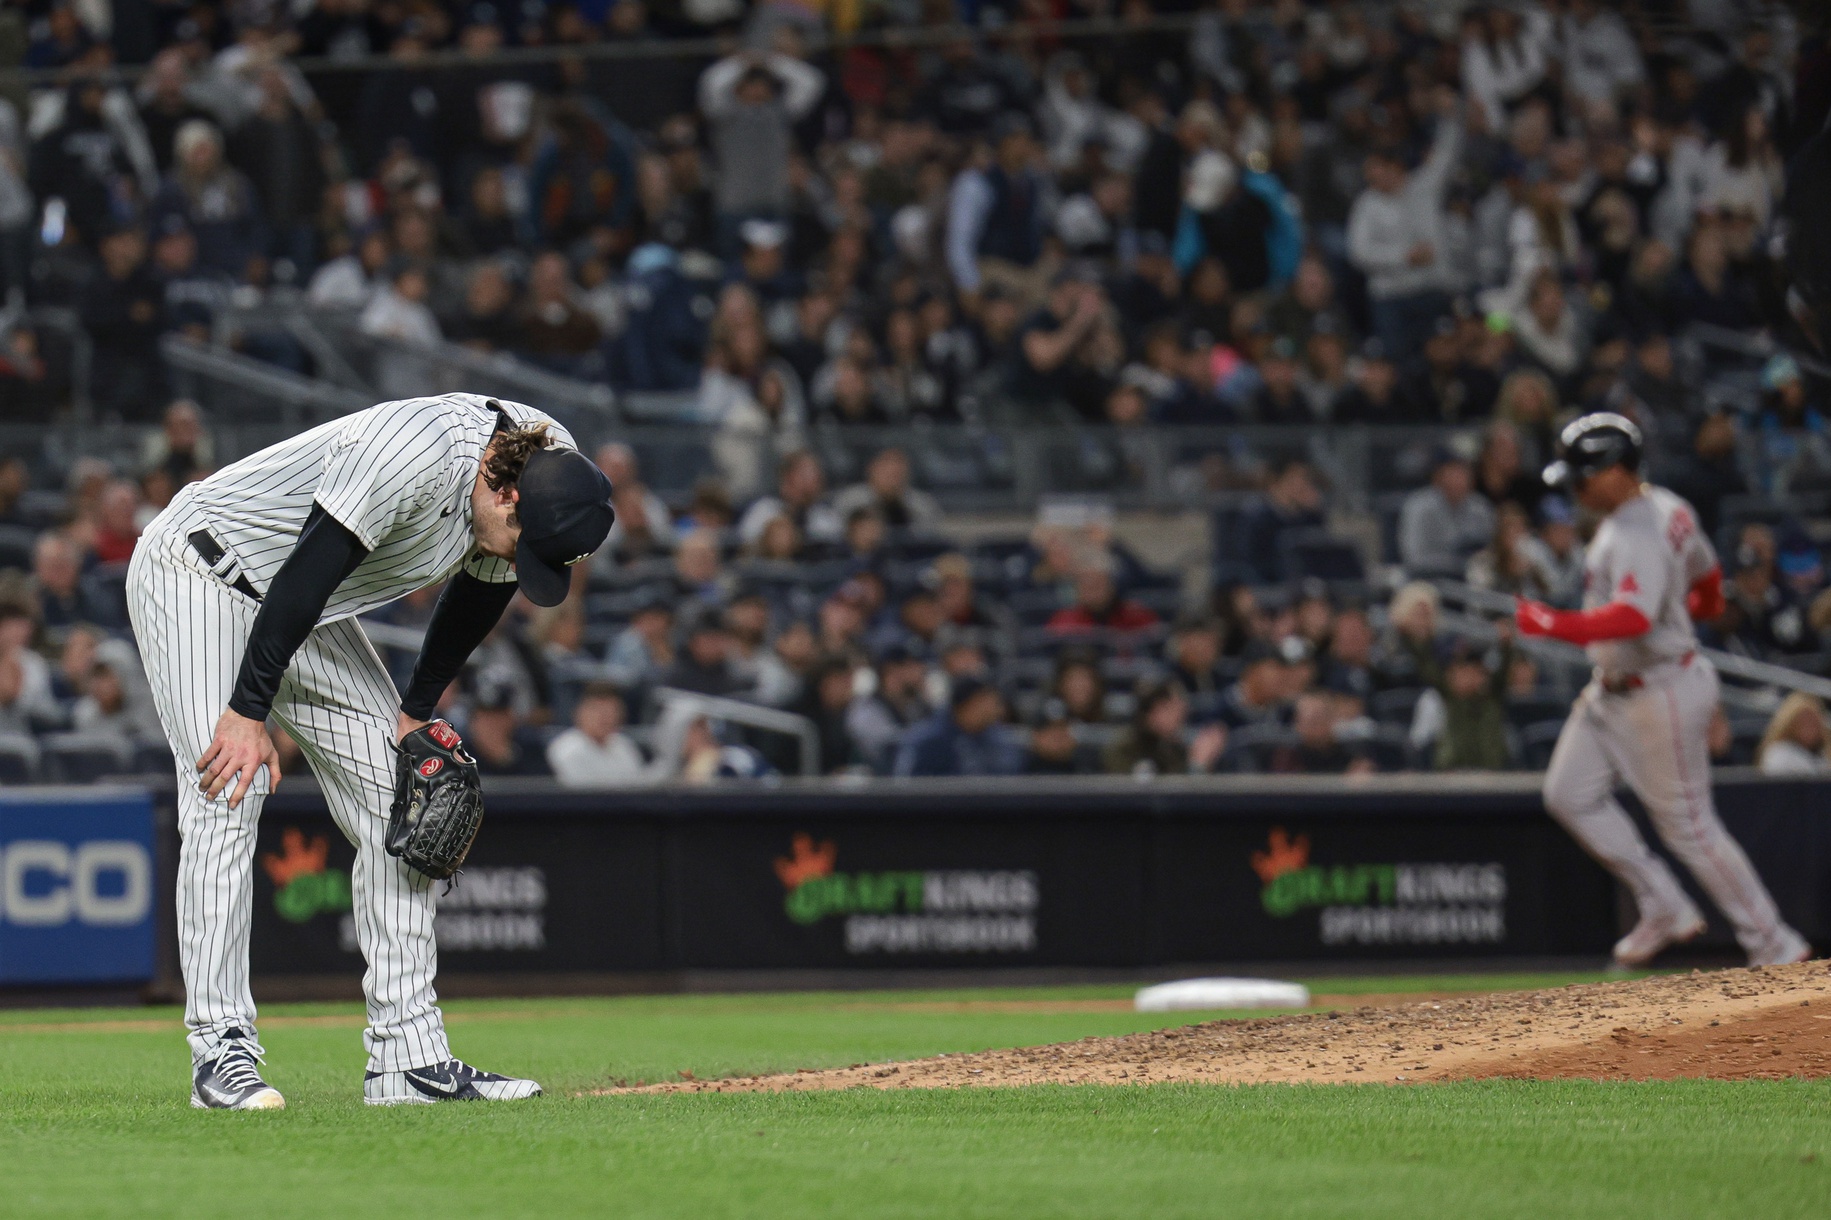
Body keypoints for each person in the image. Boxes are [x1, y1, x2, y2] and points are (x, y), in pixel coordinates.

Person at [125, 391, 614, 1109]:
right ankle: (221, 1052)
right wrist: (245, 711)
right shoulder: (411, 451)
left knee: (407, 801)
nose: (520, 559)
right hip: (202, 571)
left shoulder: (548, 464)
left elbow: (479, 593)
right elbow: (304, 573)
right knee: (229, 787)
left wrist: (414, 713)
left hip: (308, 606)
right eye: (522, 540)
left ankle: (407, 1060)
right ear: (501, 488)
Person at [1518, 413, 1809, 969]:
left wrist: (1555, 624)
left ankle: (1776, 945)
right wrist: (1688, 619)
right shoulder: (1668, 507)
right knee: (1569, 794)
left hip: (1659, 691)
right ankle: (1662, 901)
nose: (1576, 487)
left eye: (1583, 474)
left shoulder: (1639, 529)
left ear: (1615, 471)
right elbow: (1708, 584)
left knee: (1691, 828)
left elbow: (1632, 616)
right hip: (1616, 690)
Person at [893, 676, 1024, 778]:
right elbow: (909, 787)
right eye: (988, 701)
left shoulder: (999, 737)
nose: (997, 708)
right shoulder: (929, 740)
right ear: (969, 703)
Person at [1399, 447, 1495, 577]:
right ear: (1438, 476)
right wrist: (1459, 563)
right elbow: (1414, 559)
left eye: (1464, 472)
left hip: (1473, 581)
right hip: (1429, 580)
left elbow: (1493, 549)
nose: (1460, 478)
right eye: (1454, 472)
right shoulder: (1419, 507)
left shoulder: (1480, 507)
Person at [546, 682, 645, 788]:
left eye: (610, 711)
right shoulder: (567, 749)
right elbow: (586, 795)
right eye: (597, 710)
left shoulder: (625, 745)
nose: (604, 717)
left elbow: (638, 785)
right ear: (580, 713)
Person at [1756, 694, 1831, 777]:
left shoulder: (1822, 755)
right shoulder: (1780, 753)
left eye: (1814, 722)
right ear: (1790, 723)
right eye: (1803, 722)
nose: (1810, 727)